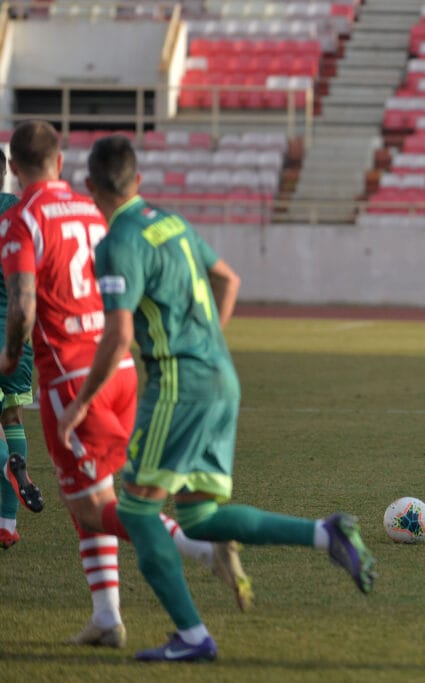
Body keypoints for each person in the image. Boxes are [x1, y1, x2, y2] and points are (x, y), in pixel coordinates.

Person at [58, 134, 378, 663]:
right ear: (137, 181)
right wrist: (210, 345)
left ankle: (191, 636)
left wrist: (79, 403)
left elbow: (116, 337)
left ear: (90, 186)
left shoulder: (116, 243)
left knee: (137, 512)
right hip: (220, 376)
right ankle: (326, 534)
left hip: (179, 385)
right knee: (200, 518)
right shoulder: (173, 222)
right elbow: (228, 279)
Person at [0, 120, 251, 649]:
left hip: (71, 374)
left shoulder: (23, 218)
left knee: (93, 506)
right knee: (91, 497)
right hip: (120, 368)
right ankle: (107, 617)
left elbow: (22, 305)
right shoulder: (92, 208)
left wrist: (9, 355)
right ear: (61, 161)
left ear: (13, 167)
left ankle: (202, 548)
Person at [0, 147, 43, 550]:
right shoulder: (19, 213)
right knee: (11, 415)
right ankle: (7, 524)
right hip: (17, 335)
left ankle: (12, 471)